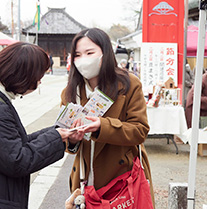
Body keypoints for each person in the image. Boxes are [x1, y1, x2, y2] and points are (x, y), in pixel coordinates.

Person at [0, 42, 79, 209]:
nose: (39, 82)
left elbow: (14, 144)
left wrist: (57, 132)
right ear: (23, 75)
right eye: (38, 77)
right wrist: (56, 138)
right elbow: (17, 160)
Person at [60, 28, 154, 206]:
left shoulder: (128, 84)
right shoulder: (71, 92)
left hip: (122, 179)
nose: (83, 60)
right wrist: (72, 140)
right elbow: (65, 139)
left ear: (105, 53)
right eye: (78, 55)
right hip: (84, 179)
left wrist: (102, 127)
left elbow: (140, 130)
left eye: (90, 53)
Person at [185, 62, 207, 128]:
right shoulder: (203, 79)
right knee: (193, 125)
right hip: (194, 103)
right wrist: (206, 99)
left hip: (206, 106)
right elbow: (194, 94)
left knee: (206, 125)